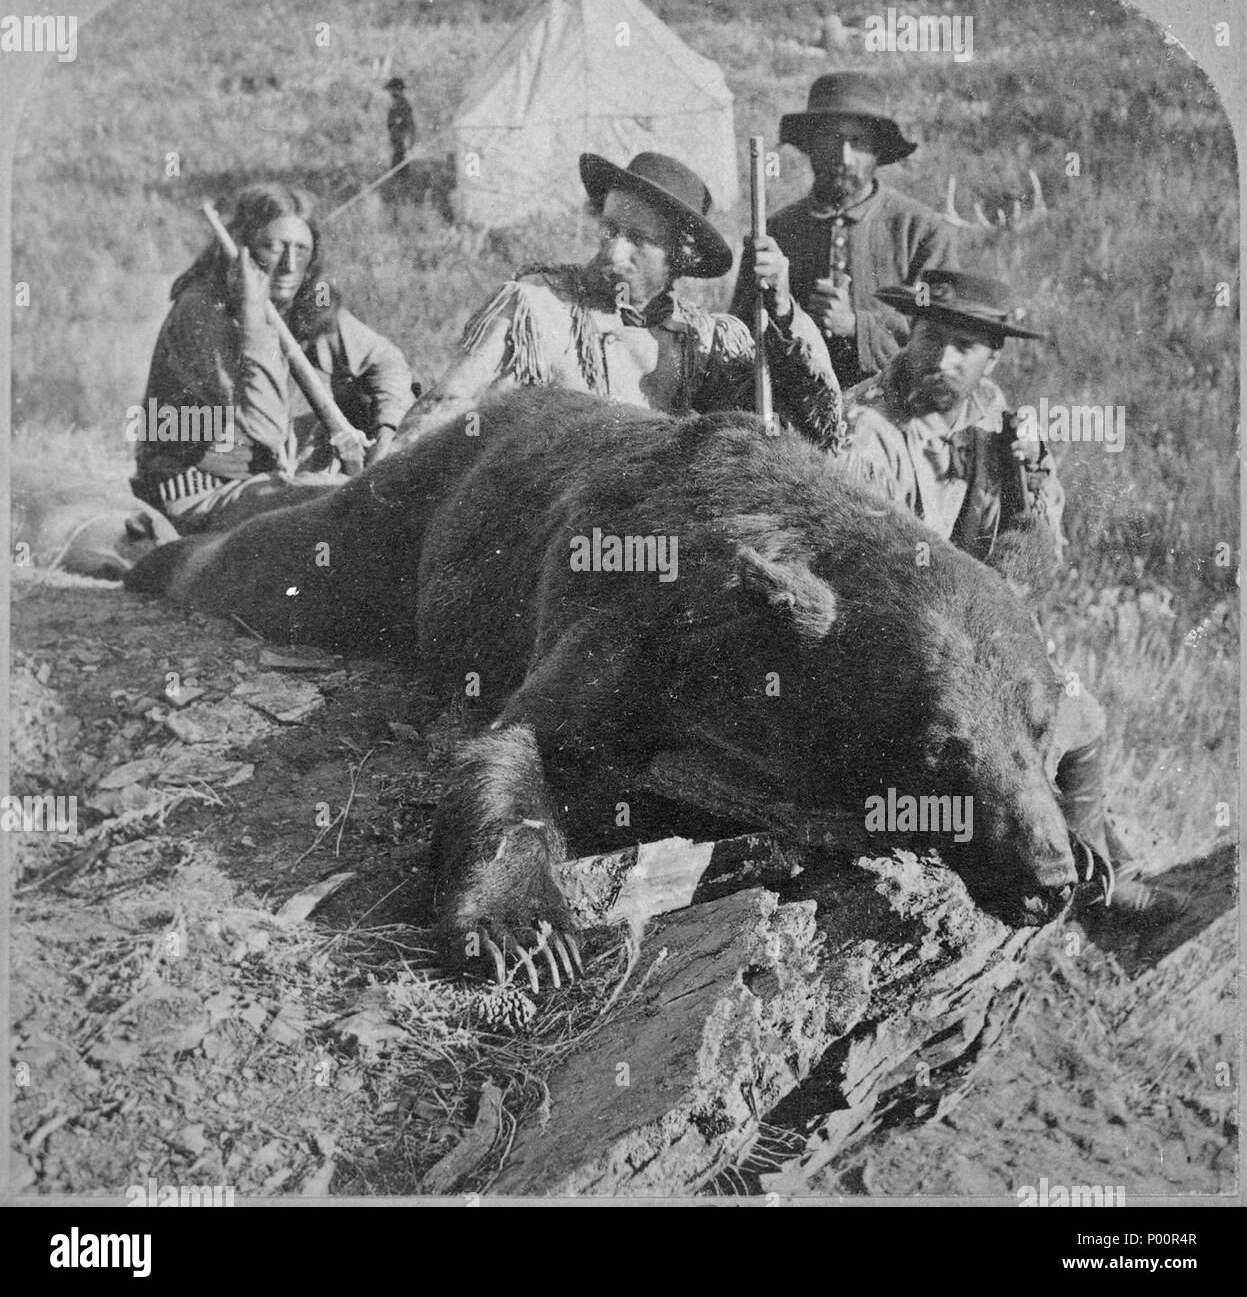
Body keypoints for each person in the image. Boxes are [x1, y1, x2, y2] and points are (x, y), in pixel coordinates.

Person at [842, 269, 1172, 922]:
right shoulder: (865, 431)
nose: (941, 358)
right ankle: (1089, 879)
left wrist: (1034, 472)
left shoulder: (991, 414)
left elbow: (1041, 541)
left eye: (965, 347)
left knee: (1080, 714)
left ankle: (1103, 870)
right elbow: (864, 579)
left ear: (991, 356)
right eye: (932, 337)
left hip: (970, 643)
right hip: (900, 661)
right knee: (1008, 749)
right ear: (910, 329)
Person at [397, 151, 846, 450]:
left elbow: (806, 427)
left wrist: (784, 311)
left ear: (681, 256)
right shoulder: (534, 310)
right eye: (610, 230)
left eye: (639, 241)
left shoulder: (703, 343)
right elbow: (443, 414)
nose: (614, 254)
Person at [132, 184, 415, 534]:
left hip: (265, 479)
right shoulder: (201, 312)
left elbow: (386, 362)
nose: (289, 265)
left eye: (301, 249)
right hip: (197, 491)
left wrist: (388, 434)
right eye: (274, 247)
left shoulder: (299, 301)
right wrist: (254, 316)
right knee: (332, 508)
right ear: (242, 250)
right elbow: (265, 429)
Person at [731, 72, 954, 390]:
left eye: (858, 142)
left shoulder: (921, 232)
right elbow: (741, 341)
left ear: (877, 150)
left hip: (892, 412)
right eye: (831, 139)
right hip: (796, 415)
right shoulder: (777, 232)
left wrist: (857, 327)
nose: (844, 156)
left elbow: (943, 342)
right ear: (810, 145)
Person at [384, 77, 416, 171]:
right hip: (396, 142)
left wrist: (408, 142)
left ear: (398, 89)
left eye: (392, 89)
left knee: (400, 169)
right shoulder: (395, 104)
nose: (390, 92)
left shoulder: (403, 105)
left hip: (401, 142)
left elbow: (409, 125)